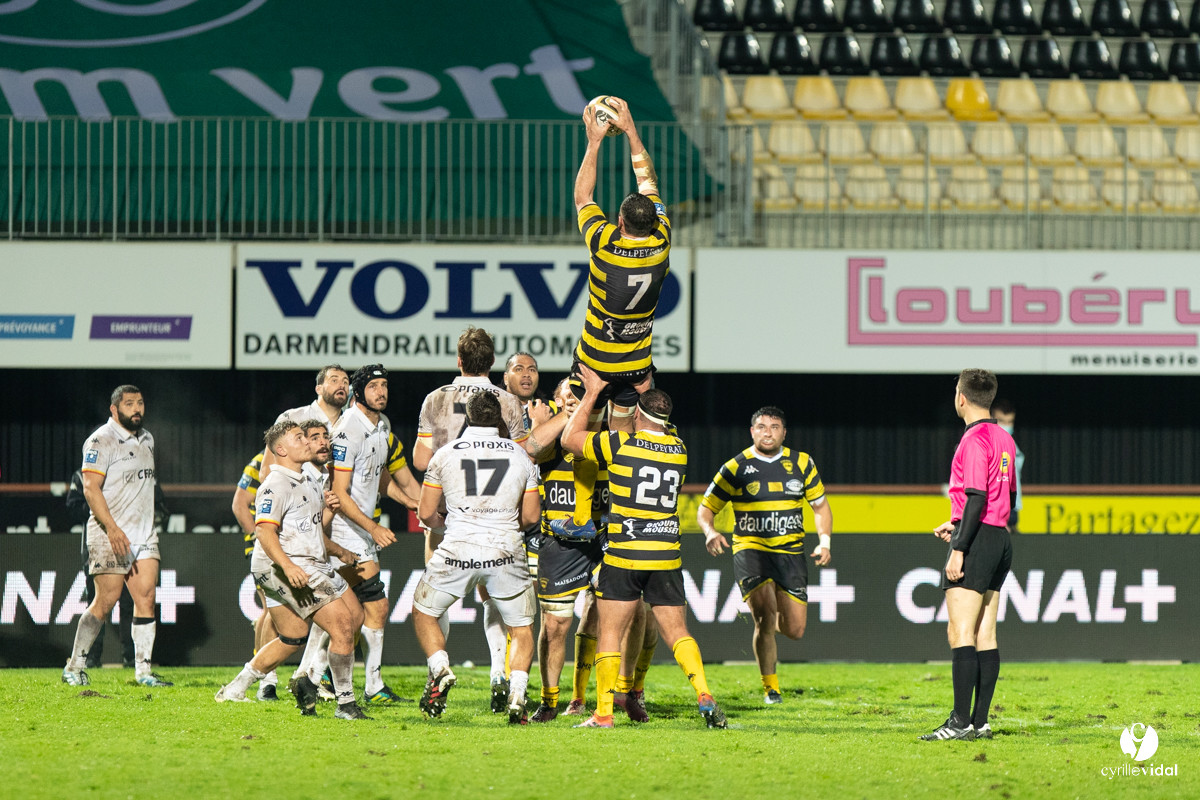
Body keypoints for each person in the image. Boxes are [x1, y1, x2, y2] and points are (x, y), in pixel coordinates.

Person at [562, 365, 727, 729]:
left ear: (637, 414)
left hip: (625, 554)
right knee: (678, 632)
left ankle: (603, 714)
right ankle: (703, 692)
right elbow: (655, 422)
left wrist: (593, 393)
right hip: (665, 556)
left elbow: (570, 439)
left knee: (610, 633)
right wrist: (644, 388)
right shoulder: (679, 449)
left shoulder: (620, 444)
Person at [412, 327, 566, 713]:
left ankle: (438, 671)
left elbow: (421, 461)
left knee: (433, 605)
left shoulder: (435, 399)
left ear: (458, 360)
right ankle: (505, 679)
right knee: (506, 609)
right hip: (502, 525)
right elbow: (528, 454)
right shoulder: (509, 403)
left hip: (450, 515)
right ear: (494, 363)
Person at [215, 420, 369, 721]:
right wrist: (288, 566)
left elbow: (310, 531)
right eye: (299, 438)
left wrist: (337, 540)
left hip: (307, 562)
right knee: (341, 625)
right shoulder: (275, 484)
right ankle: (345, 704)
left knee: (297, 635)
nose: (308, 442)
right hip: (284, 566)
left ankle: (236, 688)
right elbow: (264, 531)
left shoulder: (308, 479)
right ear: (282, 450)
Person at [412, 392, 542, 724]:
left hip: (459, 547)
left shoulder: (444, 454)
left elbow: (425, 513)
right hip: (505, 550)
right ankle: (517, 694)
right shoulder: (521, 456)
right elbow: (530, 517)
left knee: (424, 612)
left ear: (467, 417)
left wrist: (448, 524)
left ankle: (440, 667)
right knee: (522, 627)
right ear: (499, 418)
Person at [698, 406, 833, 705]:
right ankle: (771, 688)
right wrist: (709, 531)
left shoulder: (802, 463)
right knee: (764, 618)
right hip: (751, 551)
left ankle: (769, 625)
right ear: (752, 431)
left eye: (774, 427)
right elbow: (705, 509)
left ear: (784, 433)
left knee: (795, 630)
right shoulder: (735, 467)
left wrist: (824, 542)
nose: (767, 432)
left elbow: (820, 506)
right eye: (761, 426)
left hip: (791, 553)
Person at [921, 369, 1016, 742]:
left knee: (960, 631)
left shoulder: (973, 440)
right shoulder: (1004, 438)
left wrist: (959, 546)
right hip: (999, 537)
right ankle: (980, 721)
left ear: (961, 397)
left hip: (977, 540)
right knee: (985, 632)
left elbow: (976, 495)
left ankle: (960, 722)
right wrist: (958, 521)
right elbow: (1004, 496)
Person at [569, 95, 671, 435]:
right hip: (636, 368)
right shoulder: (662, 241)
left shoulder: (604, 242)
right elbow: (649, 183)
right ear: (653, 222)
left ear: (620, 221)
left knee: (582, 439)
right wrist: (631, 131)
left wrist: (594, 142)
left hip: (595, 363)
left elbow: (583, 197)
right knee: (622, 442)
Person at [62, 385, 172, 688]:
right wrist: (112, 528)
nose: (136, 409)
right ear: (114, 409)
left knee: (146, 598)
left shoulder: (147, 439)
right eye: (129, 404)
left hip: (144, 533)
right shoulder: (100, 440)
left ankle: (143, 672)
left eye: (140, 403)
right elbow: (90, 489)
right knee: (105, 600)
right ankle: (74, 666)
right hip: (109, 532)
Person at [327, 364, 403, 705]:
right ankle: (366, 684)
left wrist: (411, 502)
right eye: (374, 386)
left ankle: (316, 676)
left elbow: (379, 476)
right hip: (344, 530)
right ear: (359, 392)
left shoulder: (381, 425)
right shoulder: (348, 429)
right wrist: (373, 526)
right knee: (373, 606)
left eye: (384, 385)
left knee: (347, 613)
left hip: (361, 531)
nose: (381, 392)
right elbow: (339, 493)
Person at [230, 449, 281, 700]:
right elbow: (240, 505)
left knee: (274, 610)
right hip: (267, 546)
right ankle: (265, 678)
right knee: (271, 608)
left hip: (292, 546)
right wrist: (259, 538)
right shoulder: (260, 462)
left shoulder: (304, 460)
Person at [260, 364, 349, 480]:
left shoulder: (351, 425)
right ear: (318, 389)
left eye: (345, 382)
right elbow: (266, 471)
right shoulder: (292, 418)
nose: (342, 385)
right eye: (334, 380)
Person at [990, 399, 1023, 535]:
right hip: (997, 510)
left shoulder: (1012, 444)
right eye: (1001, 421)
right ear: (991, 418)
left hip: (1012, 507)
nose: (1006, 426)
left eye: (1010, 422)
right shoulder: (989, 444)